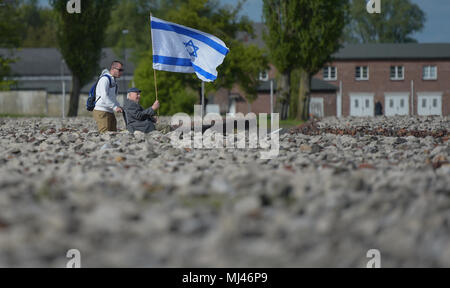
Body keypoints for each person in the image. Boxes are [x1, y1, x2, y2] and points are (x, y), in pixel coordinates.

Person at [93, 60, 124, 133]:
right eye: (120, 70)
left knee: (113, 135)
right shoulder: (105, 79)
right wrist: (115, 107)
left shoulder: (113, 81)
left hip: (110, 111)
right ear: (113, 68)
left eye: (122, 70)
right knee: (105, 136)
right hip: (101, 111)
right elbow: (104, 96)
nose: (121, 72)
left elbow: (112, 98)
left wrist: (119, 106)